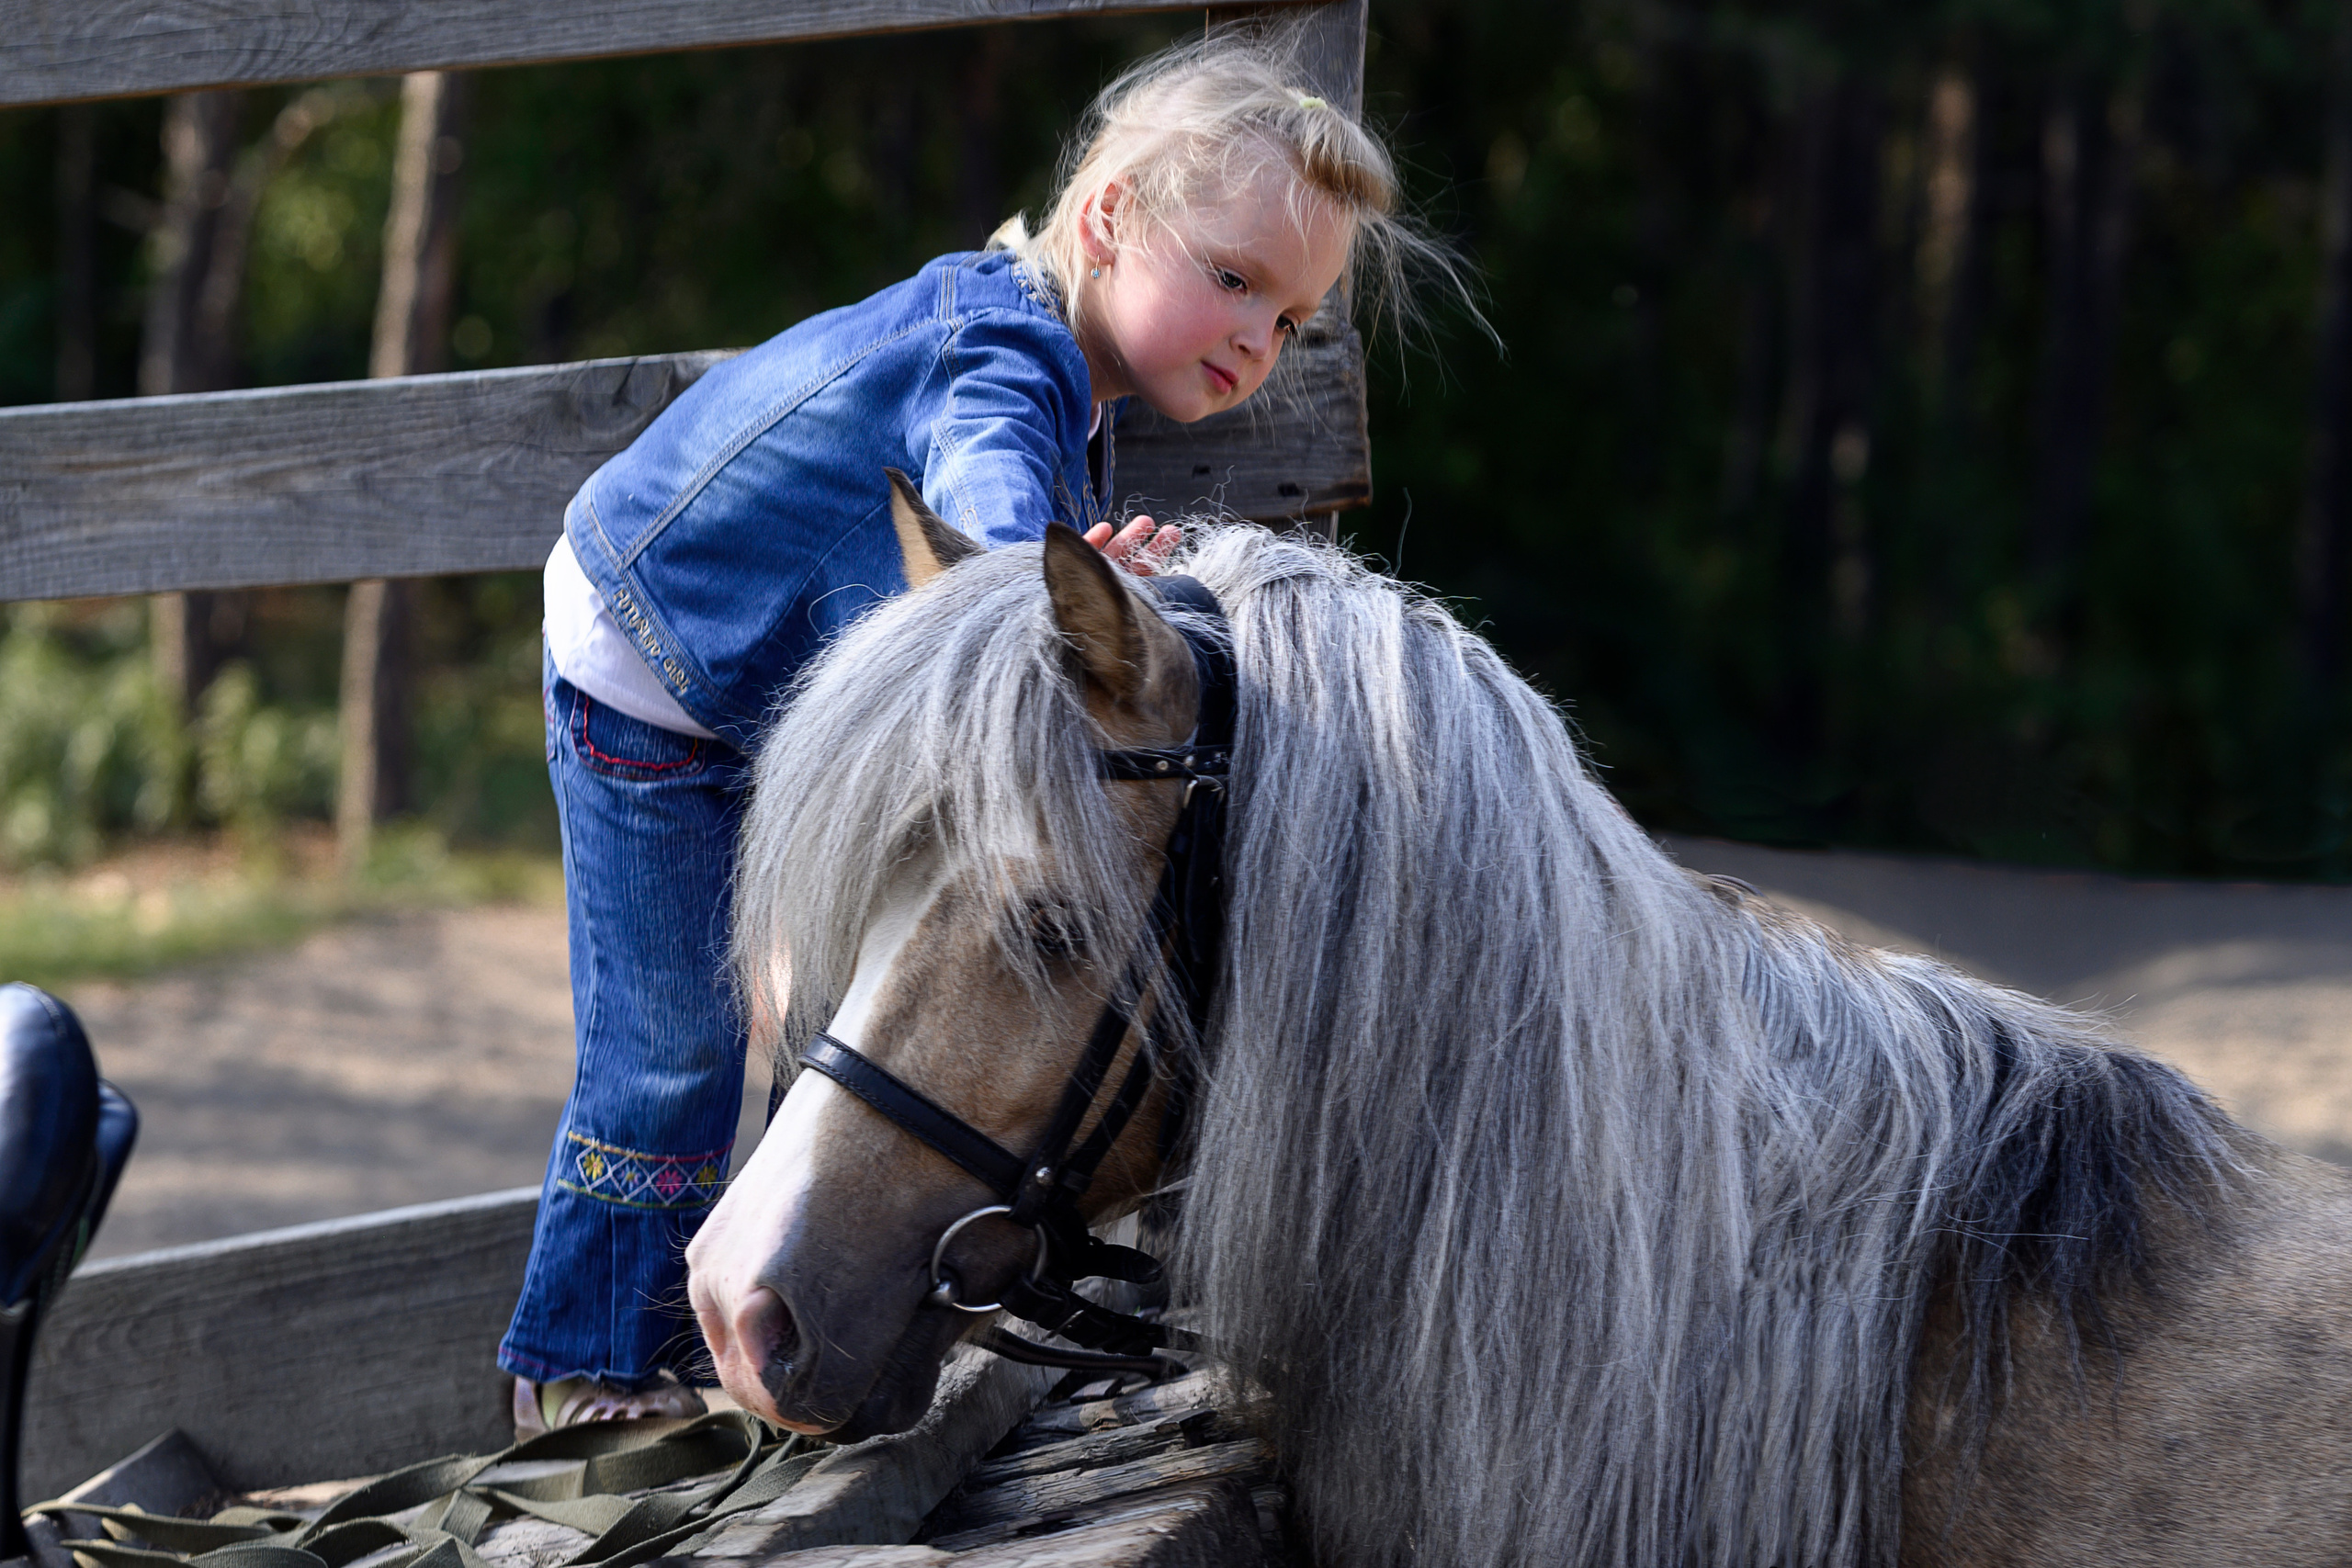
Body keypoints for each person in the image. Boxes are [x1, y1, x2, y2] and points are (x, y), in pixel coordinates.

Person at [503, 21, 1460, 1434]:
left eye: (1293, 320)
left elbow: (1015, 536)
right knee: (674, 1051)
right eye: (1236, 280)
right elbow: (991, 524)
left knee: (850, 1004)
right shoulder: (1001, 355)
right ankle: (578, 1370)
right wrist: (1051, 583)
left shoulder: (1063, 380)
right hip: (658, 665)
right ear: (1112, 218)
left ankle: (778, 1312)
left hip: (759, 660)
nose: (1259, 339)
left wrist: (1080, 571)